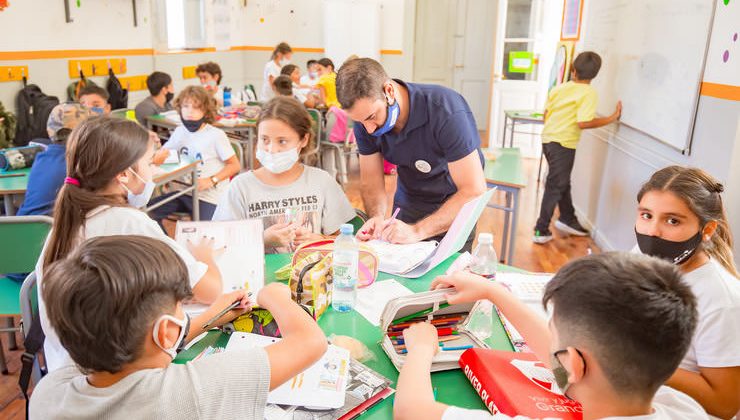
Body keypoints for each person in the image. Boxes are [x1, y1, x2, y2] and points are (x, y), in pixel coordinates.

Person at [30, 235, 328, 419]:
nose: (183, 310)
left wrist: (208, 317)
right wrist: (272, 295)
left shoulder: (47, 395)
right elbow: (309, 342)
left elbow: (135, 348)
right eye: (181, 306)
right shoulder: (193, 393)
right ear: (166, 333)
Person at [395, 252, 708, 419]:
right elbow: (575, 364)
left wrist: (422, 350)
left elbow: (412, 411)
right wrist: (493, 292)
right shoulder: (680, 405)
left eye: (553, 332)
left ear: (573, 364)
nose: (550, 343)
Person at [36, 116, 224, 372]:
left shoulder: (62, 225)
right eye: (149, 163)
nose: (154, 171)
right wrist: (206, 257)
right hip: (117, 374)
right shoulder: (129, 222)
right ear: (124, 174)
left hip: (66, 371)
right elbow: (210, 290)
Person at [336, 58, 486, 251]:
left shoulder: (445, 110)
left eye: (372, 117)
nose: (369, 129)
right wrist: (377, 217)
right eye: (360, 121)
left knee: (447, 277)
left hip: (455, 204)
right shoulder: (364, 120)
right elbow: (371, 182)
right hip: (409, 201)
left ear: (388, 91)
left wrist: (417, 232)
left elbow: (473, 190)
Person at [634, 166, 740, 418]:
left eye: (672, 220)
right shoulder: (642, 257)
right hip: (635, 393)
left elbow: (724, 405)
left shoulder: (722, 301)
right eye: (646, 215)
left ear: (707, 230)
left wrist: (634, 359)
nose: (652, 232)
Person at [213, 97, 355, 253]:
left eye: (282, 141)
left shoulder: (322, 182)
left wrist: (318, 240)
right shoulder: (240, 188)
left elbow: (345, 240)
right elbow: (221, 244)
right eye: (265, 140)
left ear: (303, 140)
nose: (272, 149)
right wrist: (262, 239)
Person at [533, 51, 622, 244]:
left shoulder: (560, 88)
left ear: (573, 70)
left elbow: (546, 115)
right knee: (556, 185)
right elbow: (583, 122)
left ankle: (568, 219)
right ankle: (541, 229)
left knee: (561, 182)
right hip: (564, 143)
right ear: (595, 74)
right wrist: (611, 118)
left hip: (548, 139)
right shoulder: (589, 93)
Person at [151, 86, 240, 223]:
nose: (190, 112)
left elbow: (235, 166)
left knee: (204, 231)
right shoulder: (180, 131)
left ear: (205, 110)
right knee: (148, 213)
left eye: (196, 107)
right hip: (184, 193)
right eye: (186, 106)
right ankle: (167, 244)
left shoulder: (216, 135)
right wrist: (157, 155)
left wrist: (211, 180)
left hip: (209, 196)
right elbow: (164, 154)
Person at [17, 103, 90, 216]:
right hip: (50, 230)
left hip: (22, 227)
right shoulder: (78, 163)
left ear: (49, 130)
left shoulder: (42, 158)